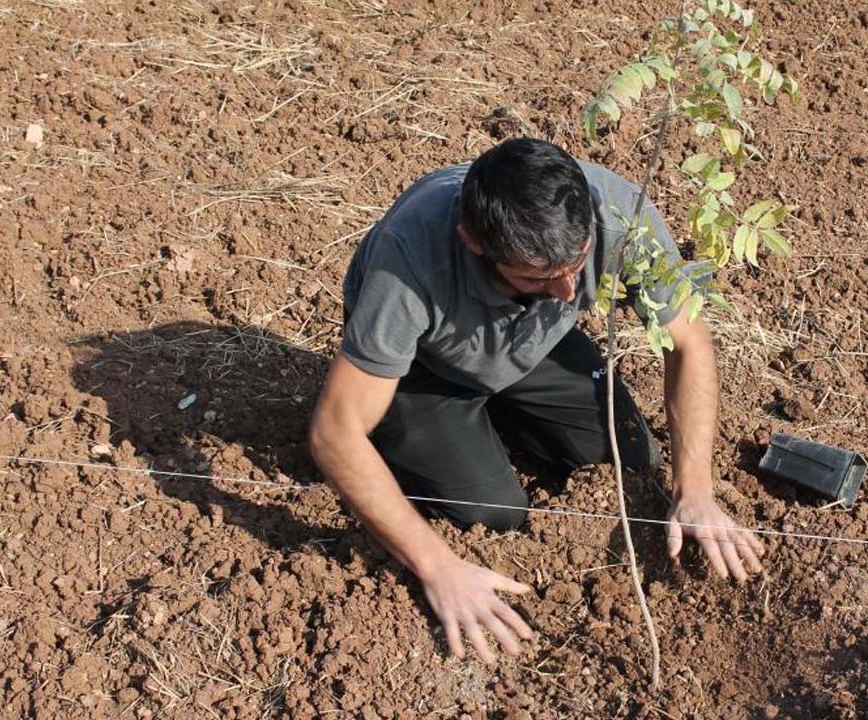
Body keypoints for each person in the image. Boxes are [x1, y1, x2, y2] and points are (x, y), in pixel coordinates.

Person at [308, 138, 766, 665]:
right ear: (474, 243)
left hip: (534, 340)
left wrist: (698, 490)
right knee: (494, 514)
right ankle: (433, 434)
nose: (571, 292)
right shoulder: (411, 260)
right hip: (423, 369)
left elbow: (690, 341)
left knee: (633, 463)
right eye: (540, 276)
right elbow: (333, 433)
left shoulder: (618, 213)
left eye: (578, 263)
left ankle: (504, 405)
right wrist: (437, 567)